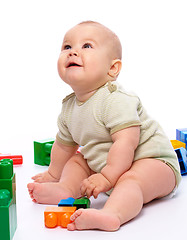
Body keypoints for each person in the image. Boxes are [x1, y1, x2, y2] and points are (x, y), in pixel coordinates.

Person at [27, 21, 181, 231]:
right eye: (67, 47)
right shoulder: (69, 107)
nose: (73, 53)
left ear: (112, 68)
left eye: (87, 46)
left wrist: (108, 177)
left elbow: (126, 143)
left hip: (153, 163)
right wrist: (54, 174)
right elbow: (64, 146)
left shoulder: (115, 98)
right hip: (106, 165)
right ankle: (66, 188)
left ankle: (112, 214)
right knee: (78, 160)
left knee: (131, 179)